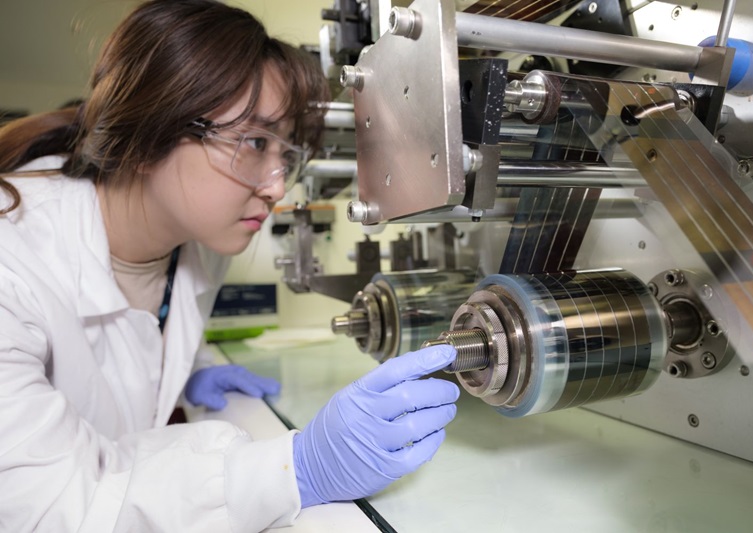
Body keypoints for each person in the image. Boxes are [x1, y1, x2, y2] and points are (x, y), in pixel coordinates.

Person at [0, 1, 459, 531]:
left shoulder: (197, 238)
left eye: (285, 157)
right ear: (153, 126)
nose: (276, 185)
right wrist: (296, 470)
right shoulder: (14, 262)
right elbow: (49, 507)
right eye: (255, 143)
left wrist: (188, 371)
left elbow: (131, 339)